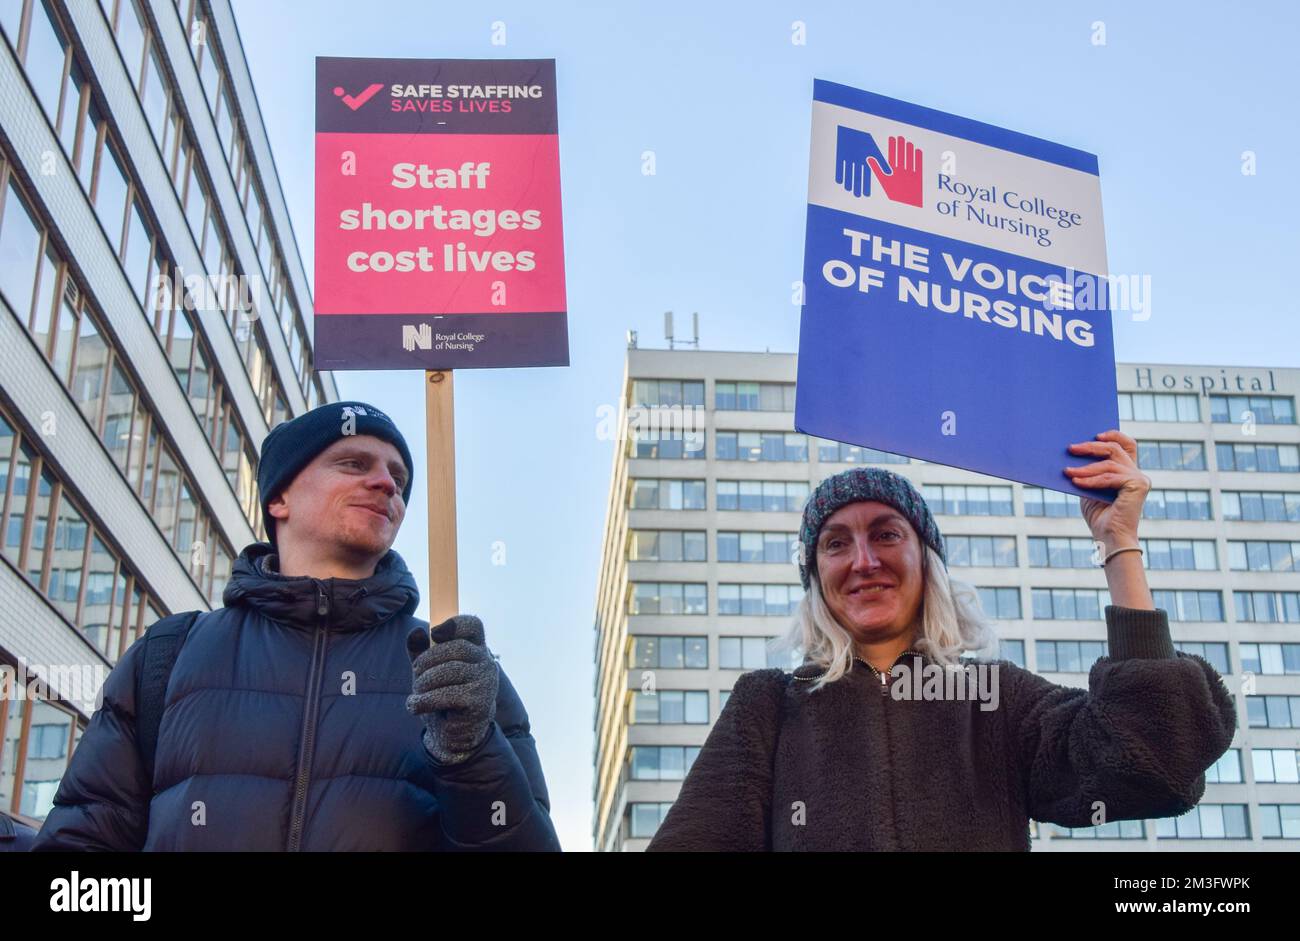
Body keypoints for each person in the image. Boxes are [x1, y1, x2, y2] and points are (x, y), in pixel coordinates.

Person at [647, 430, 1237, 851]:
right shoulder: (768, 708)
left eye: (886, 534)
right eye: (835, 543)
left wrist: (1118, 543)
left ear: (927, 563)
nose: (863, 561)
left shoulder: (995, 698)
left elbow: (1154, 757)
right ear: (815, 578)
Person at [33, 401, 560, 851]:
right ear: (278, 497)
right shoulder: (167, 657)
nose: (386, 484)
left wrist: (472, 755)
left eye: (398, 479)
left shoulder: (455, 668)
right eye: (354, 463)